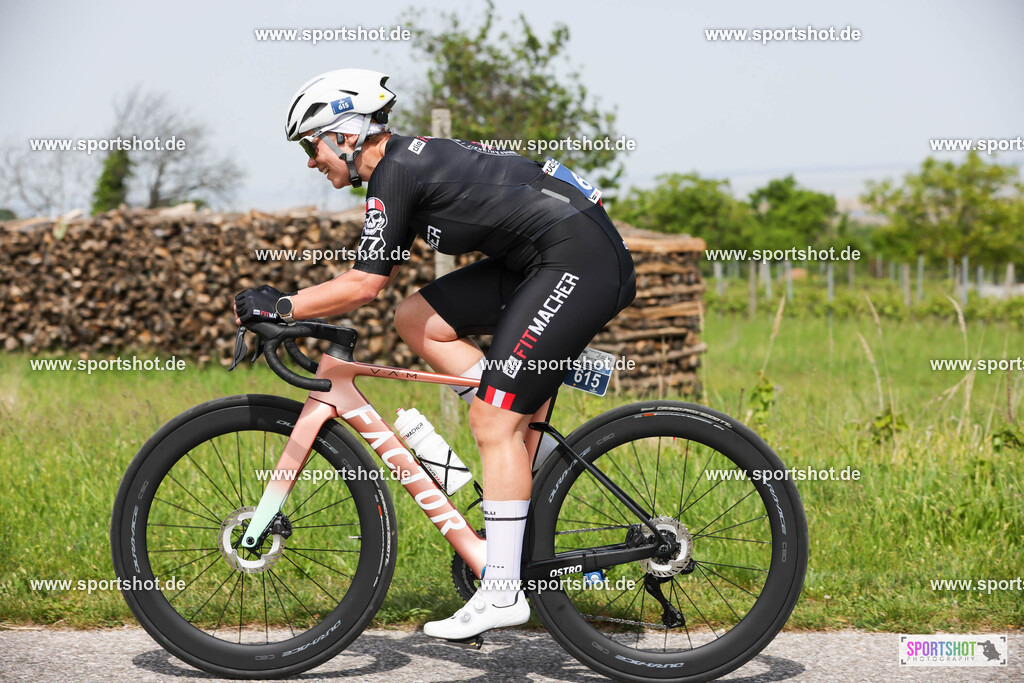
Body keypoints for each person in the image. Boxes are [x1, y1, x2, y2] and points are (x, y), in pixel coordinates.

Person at [234, 68, 636, 640]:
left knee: (490, 419)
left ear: (346, 135)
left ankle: (501, 591)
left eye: (311, 145)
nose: (310, 161)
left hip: (578, 258)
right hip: (545, 256)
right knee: (418, 320)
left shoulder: (395, 173)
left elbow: (363, 284)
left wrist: (282, 307)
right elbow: (383, 288)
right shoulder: (400, 168)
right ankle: (519, 452)